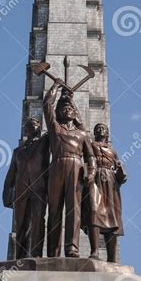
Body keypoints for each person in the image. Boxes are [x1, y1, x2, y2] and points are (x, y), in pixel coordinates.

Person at [43, 80, 95, 257]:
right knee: (54, 209)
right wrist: (56, 86)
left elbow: (90, 156)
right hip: (57, 165)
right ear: (58, 112)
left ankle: (72, 247)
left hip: (76, 167)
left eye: (70, 109)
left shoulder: (82, 134)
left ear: (75, 114)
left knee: (74, 209)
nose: (67, 110)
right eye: (63, 108)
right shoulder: (54, 128)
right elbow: (46, 104)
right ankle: (53, 250)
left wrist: (92, 172)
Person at [2, 118, 49, 258]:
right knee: (21, 225)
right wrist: (6, 194)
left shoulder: (44, 143)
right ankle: (20, 258)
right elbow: (11, 174)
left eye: (36, 125)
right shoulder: (18, 151)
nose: (33, 127)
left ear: (40, 129)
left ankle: (36, 254)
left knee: (38, 222)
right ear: (25, 130)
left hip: (39, 190)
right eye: (30, 126)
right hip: (21, 192)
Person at [86, 123, 127, 263]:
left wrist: (120, 169)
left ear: (107, 133)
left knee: (112, 217)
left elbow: (120, 172)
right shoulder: (91, 145)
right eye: (97, 128)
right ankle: (94, 251)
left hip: (110, 182)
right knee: (94, 211)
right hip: (96, 179)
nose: (100, 129)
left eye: (103, 128)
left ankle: (112, 258)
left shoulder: (112, 151)